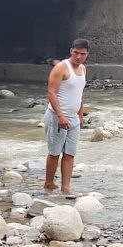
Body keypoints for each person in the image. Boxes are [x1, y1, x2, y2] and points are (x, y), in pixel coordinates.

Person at [44, 39, 89, 194]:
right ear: (71, 51)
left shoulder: (83, 69)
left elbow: (80, 94)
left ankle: (66, 187)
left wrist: (80, 114)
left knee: (70, 153)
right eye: (76, 53)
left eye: (82, 54)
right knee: (55, 153)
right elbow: (51, 92)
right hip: (57, 116)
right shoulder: (61, 68)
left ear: (87, 54)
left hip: (73, 118)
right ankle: (49, 183)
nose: (78, 57)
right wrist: (60, 116)